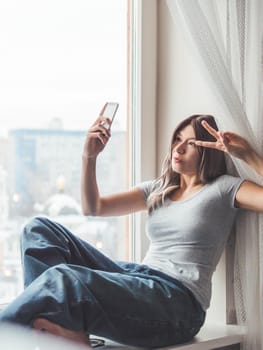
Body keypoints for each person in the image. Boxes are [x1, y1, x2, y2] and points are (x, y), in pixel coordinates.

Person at [1, 112, 263, 348]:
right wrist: (88, 157)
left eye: (191, 143)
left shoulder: (224, 188)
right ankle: (64, 331)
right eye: (177, 139)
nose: (179, 148)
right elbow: (94, 207)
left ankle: (17, 333)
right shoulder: (157, 189)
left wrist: (248, 155)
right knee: (39, 229)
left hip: (177, 302)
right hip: (138, 278)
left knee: (65, 278)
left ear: (210, 149)